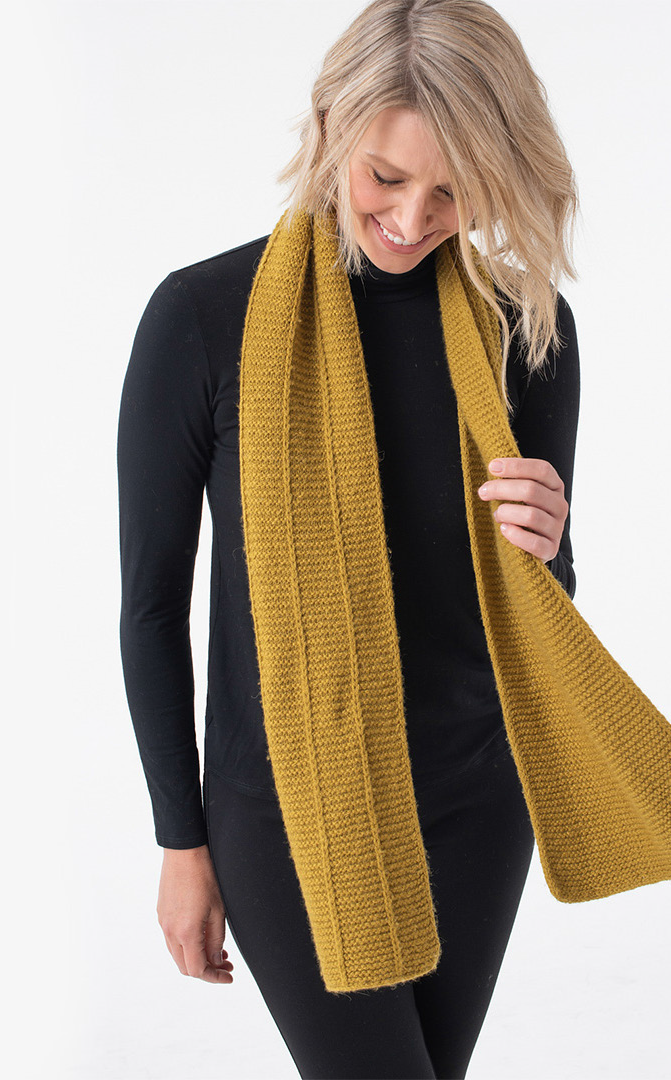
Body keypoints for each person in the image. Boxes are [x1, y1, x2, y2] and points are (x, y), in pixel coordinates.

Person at [118, 1, 582, 1075]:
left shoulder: (526, 329)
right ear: (330, 126)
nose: (413, 218)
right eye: (385, 176)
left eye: (453, 190)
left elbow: (544, 614)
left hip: (478, 801)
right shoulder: (202, 318)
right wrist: (180, 840)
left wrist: (549, 544)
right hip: (287, 809)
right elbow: (151, 605)